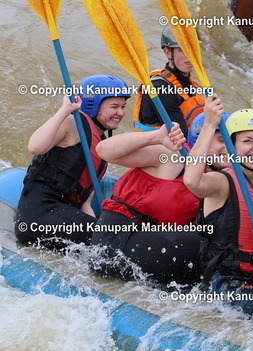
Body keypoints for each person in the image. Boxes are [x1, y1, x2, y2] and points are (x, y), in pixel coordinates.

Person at [90, 99, 221, 287]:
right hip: (116, 242)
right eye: (221, 141)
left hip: (153, 248)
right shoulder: (173, 156)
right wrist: (156, 137)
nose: (228, 148)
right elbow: (104, 150)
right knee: (206, 247)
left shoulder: (223, 180)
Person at [184, 105, 253, 324]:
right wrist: (210, 124)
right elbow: (192, 180)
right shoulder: (222, 181)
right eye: (247, 141)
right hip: (224, 287)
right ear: (232, 147)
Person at [15, 75, 130, 249]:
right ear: (93, 105)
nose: (121, 113)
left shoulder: (101, 146)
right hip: (39, 214)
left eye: (123, 107)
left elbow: (85, 204)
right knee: (112, 237)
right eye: (114, 107)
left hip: (63, 215)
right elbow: (35, 146)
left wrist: (98, 229)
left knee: (108, 236)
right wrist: (65, 110)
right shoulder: (73, 123)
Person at [133, 27, 205, 137]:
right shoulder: (160, 87)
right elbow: (181, 136)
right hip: (160, 146)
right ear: (168, 52)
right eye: (182, 49)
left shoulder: (191, 84)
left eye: (193, 48)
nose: (190, 55)